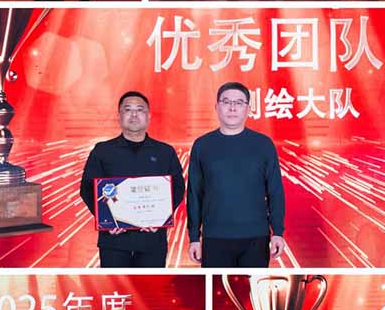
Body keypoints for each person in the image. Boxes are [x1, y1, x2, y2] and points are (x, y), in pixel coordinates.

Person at [79, 91, 185, 268]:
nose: (134, 115)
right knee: (116, 283)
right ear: (119, 116)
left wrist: (161, 218)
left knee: (150, 284)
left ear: (149, 116)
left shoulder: (165, 152)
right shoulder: (102, 151)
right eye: (127, 109)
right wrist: (106, 220)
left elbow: (177, 188)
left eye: (140, 110)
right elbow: (87, 189)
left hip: (152, 238)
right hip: (114, 239)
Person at [187, 81, 285, 267]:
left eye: (239, 103)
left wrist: (278, 232)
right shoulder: (203, 145)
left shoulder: (263, 144)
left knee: (252, 285)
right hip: (215, 236)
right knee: (216, 285)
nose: (232, 108)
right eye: (226, 102)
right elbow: (194, 194)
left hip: (256, 236)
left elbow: (275, 191)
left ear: (248, 108)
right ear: (216, 107)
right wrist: (194, 237)